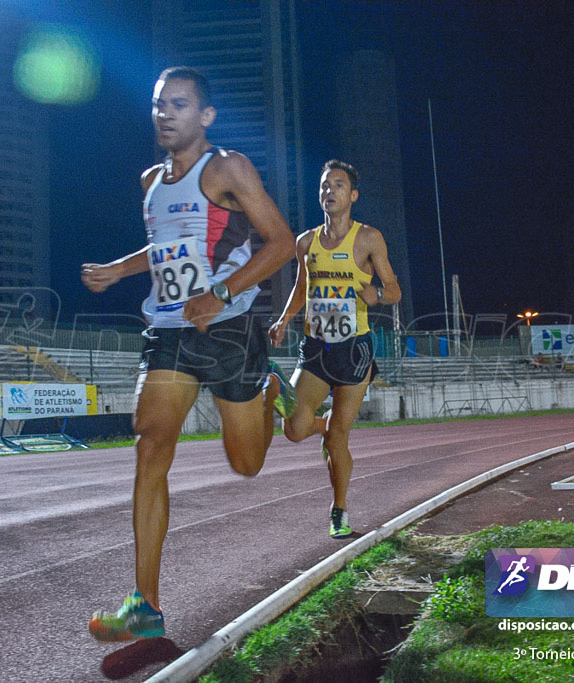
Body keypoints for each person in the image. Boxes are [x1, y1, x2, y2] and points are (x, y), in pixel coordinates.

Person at [80, 66, 296, 641]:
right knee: (150, 444)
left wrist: (221, 291)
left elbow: (282, 243)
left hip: (228, 330)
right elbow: (163, 249)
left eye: (178, 104)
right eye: (158, 104)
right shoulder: (150, 180)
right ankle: (144, 604)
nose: (164, 113)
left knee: (245, 463)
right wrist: (117, 270)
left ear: (205, 117)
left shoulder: (227, 168)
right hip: (170, 330)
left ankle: (268, 387)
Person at [269, 160, 401, 539]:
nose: (330, 191)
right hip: (315, 348)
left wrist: (376, 294)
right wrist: (282, 320)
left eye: (339, 186)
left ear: (352, 195)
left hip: (354, 351)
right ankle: (321, 421)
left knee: (338, 440)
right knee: (293, 428)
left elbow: (394, 290)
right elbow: (301, 288)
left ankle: (339, 511)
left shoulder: (368, 239)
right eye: (325, 185)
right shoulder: (305, 242)